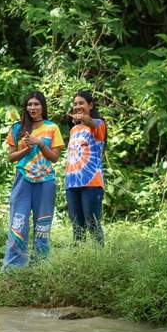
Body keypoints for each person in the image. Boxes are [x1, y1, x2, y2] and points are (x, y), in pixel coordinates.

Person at [3, 91, 63, 269]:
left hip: (45, 182)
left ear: (43, 106)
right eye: (29, 104)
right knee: (18, 223)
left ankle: (40, 268)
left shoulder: (52, 128)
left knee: (42, 226)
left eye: (36, 104)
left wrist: (40, 143)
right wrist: (26, 150)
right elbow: (11, 157)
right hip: (23, 180)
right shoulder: (17, 128)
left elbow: (54, 158)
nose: (32, 108)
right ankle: (12, 268)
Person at [64, 90, 107, 244]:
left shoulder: (98, 124)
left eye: (81, 103)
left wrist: (84, 118)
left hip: (92, 183)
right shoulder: (73, 129)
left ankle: (100, 261)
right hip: (72, 182)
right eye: (75, 104)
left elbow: (92, 122)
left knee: (93, 225)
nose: (77, 106)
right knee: (77, 228)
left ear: (90, 105)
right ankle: (78, 263)